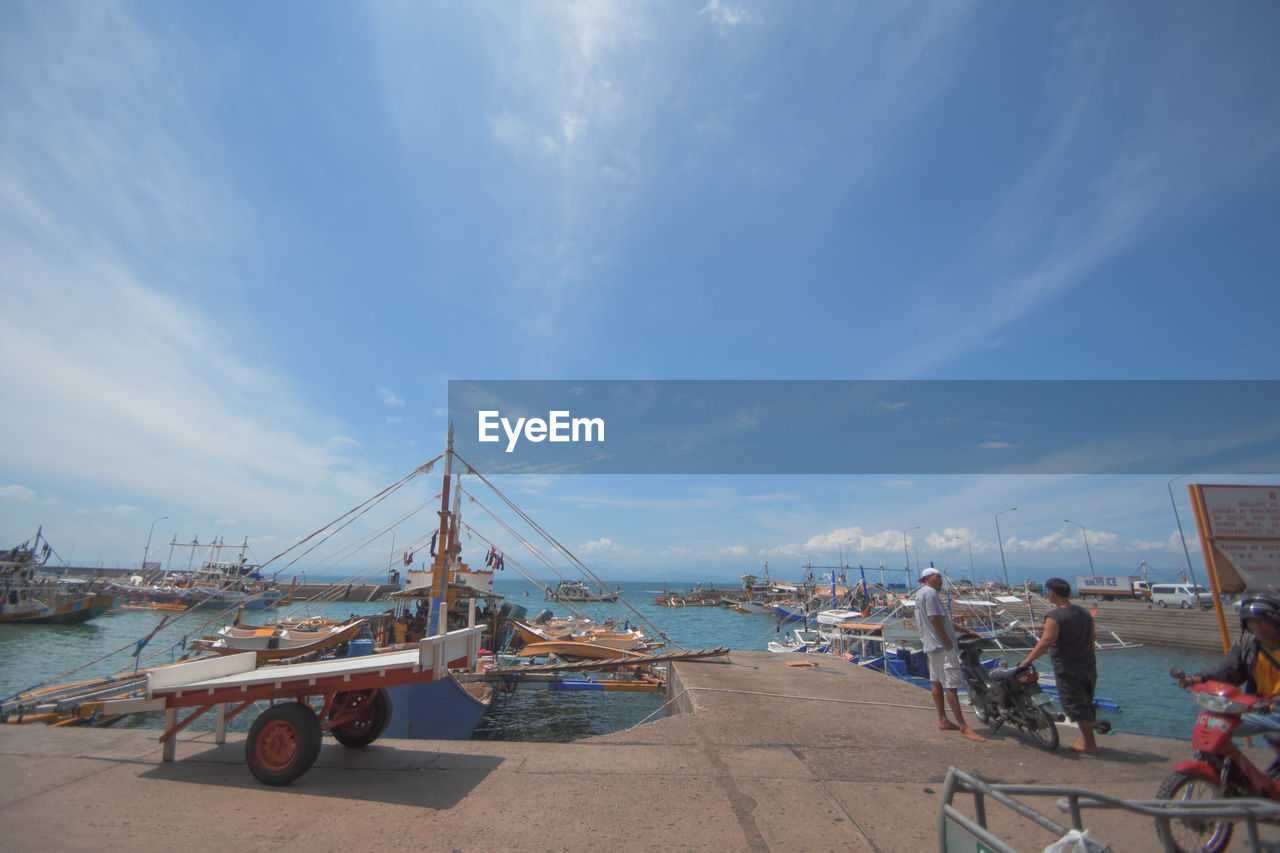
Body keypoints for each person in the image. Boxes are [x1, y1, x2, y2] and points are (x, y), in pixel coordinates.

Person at [1019, 577, 1098, 755]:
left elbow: (1046, 641)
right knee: (1087, 702)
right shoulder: (1084, 613)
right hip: (1088, 665)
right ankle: (1088, 739)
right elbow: (1092, 637)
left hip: (1068, 668)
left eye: (1047, 591)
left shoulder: (1055, 616)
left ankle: (1090, 744)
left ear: (1052, 592)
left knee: (1076, 705)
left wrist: (1027, 661)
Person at [915, 567, 985, 742]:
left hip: (931, 646)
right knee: (951, 686)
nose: (941, 580)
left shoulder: (920, 594)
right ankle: (963, 726)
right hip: (941, 648)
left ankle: (943, 719)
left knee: (936, 682)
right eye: (938, 577)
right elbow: (935, 619)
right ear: (928, 578)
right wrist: (947, 643)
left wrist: (967, 630)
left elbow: (944, 619)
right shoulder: (930, 594)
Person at [1181, 593, 1280, 698]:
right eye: (1251, 621)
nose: (1256, 626)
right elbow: (1228, 669)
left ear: (1275, 621)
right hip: (1260, 706)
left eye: (1261, 621)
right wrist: (1200, 678)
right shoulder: (1247, 645)